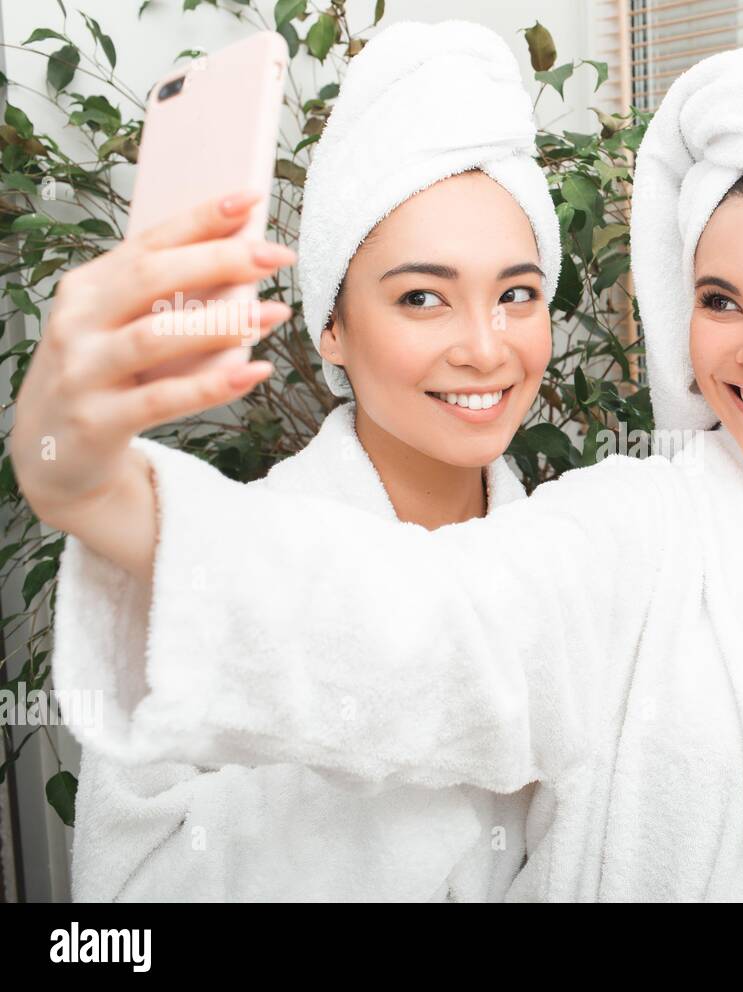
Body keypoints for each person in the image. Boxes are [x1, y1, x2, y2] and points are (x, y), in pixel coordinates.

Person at [20, 44, 743, 901]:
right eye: (718, 299)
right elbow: (442, 628)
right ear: (332, 322)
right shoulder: (631, 521)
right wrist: (106, 497)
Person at [52, 19, 559, 902]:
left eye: (518, 293)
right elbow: (118, 904)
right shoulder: (213, 582)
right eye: (423, 298)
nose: (486, 348)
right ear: (332, 322)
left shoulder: (569, 560)